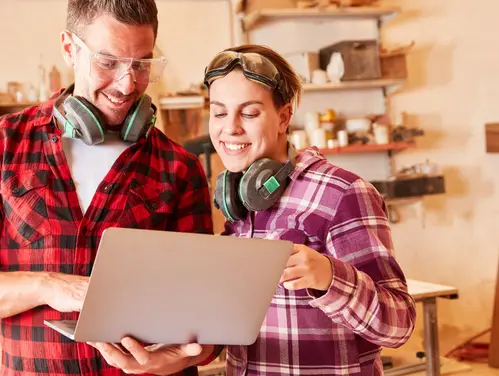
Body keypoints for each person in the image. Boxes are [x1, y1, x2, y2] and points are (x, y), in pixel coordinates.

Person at [0, 0, 223, 375]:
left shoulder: (179, 167)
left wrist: (175, 359)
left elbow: (206, 327)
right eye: (108, 62)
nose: (127, 84)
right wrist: (49, 286)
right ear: (70, 49)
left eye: (142, 64)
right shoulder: (6, 146)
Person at [204, 45, 417, 376]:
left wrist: (331, 278)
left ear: (284, 117)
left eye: (249, 113)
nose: (229, 128)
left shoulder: (343, 193)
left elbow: (399, 325)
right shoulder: (237, 200)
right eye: (219, 113)